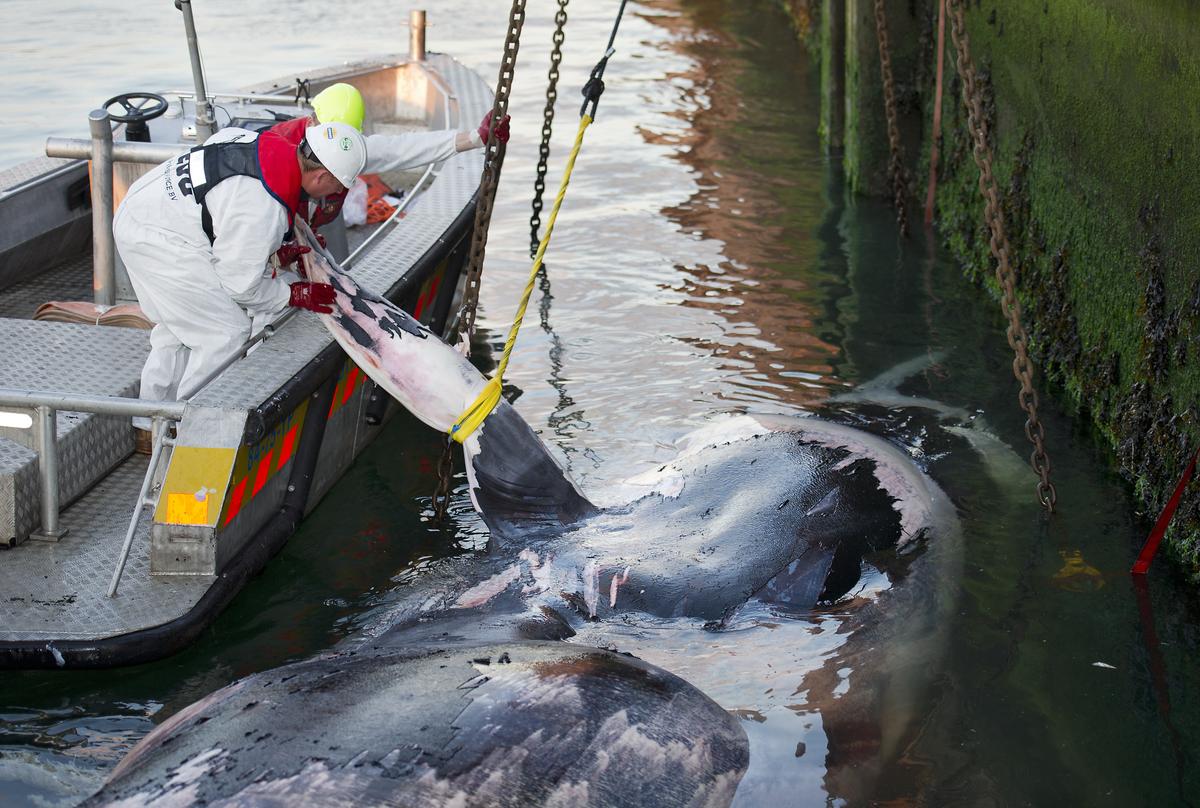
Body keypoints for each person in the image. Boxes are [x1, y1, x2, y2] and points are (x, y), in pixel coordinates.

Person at [114, 121, 367, 452]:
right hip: (163, 242)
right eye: (335, 188)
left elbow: (223, 210)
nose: (333, 196)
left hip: (142, 212)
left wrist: (269, 250)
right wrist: (294, 293)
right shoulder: (263, 208)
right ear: (320, 177)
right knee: (224, 333)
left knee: (179, 328)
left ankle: (149, 425)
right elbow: (242, 286)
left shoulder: (254, 141)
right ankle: (196, 442)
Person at [270, 83, 509, 239]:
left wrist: (475, 138)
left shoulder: (345, 148)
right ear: (313, 124)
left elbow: (400, 149)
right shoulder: (277, 154)